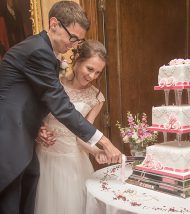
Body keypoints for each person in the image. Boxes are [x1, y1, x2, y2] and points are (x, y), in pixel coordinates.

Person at [0, 1, 121, 214]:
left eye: (78, 40)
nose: (74, 45)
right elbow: (60, 105)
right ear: (54, 23)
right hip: (10, 143)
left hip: (26, 143)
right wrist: (104, 140)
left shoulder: (43, 50)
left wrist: (36, 125)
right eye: (72, 37)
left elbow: (31, 99)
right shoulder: (39, 51)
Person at [34, 40, 108, 214]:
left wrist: (96, 151)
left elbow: (82, 134)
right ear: (78, 60)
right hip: (44, 158)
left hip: (72, 162)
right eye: (89, 69)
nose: (92, 76)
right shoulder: (54, 85)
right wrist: (39, 128)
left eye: (98, 72)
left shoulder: (96, 97)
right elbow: (35, 115)